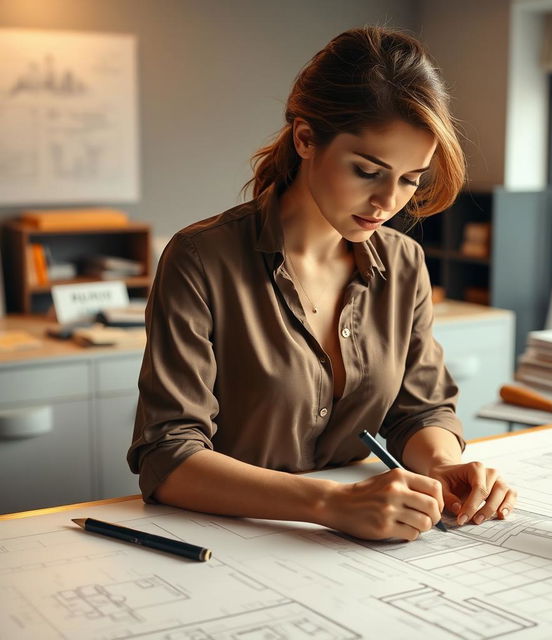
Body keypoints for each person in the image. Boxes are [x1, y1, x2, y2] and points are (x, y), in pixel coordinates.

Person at [127, 26, 516, 541]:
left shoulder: (403, 264)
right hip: (230, 541)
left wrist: (440, 463)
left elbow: (418, 409)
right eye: (367, 170)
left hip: (361, 547)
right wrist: (329, 502)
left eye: (410, 179)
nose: (387, 202)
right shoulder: (200, 259)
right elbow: (167, 455)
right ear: (306, 138)